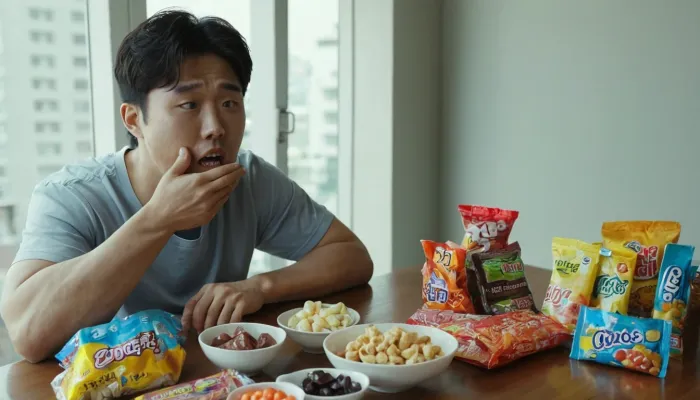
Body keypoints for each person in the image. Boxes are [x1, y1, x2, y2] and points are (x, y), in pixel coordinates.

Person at [0, 10, 373, 363]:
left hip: (217, 376)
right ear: (134, 120)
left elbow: (351, 256)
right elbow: (28, 335)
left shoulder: (247, 178)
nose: (215, 127)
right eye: (189, 105)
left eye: (229, 103)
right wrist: (158, 219)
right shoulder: (72, 195)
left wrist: (259, 287)